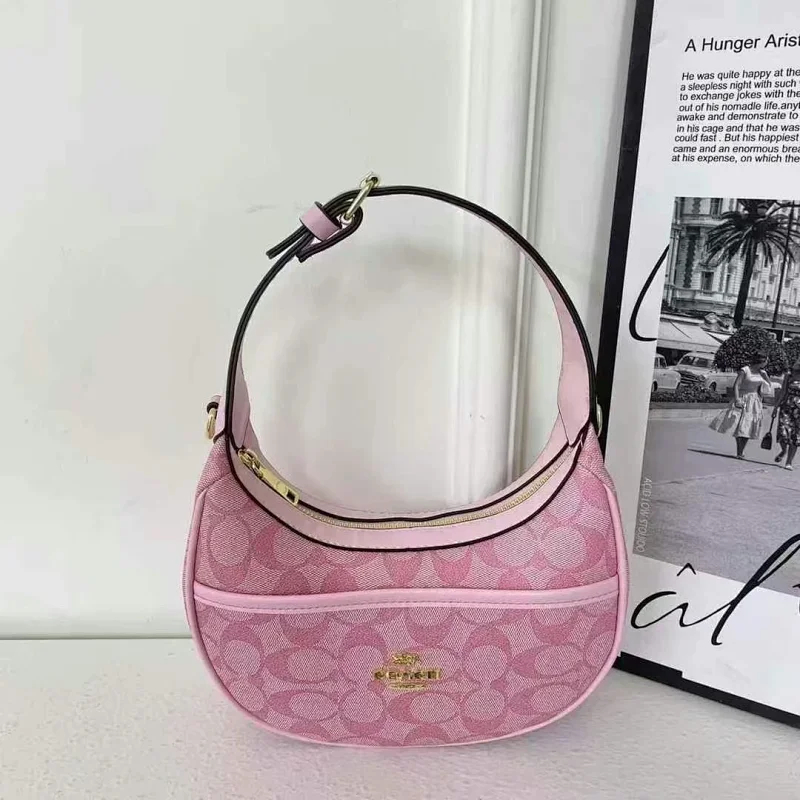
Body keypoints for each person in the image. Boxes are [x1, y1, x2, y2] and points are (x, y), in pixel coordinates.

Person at [709, 351, 772, 459]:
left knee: (749, 425)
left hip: (755, 400)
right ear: (761, 361)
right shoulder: (745, 370)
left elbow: (768, 387)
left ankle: (741, 451)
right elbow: (736, 385)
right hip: (743, 398)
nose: (766, 363)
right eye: (766, 361)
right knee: (740, 425)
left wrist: (765, 377)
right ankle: (739, 451)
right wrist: (737, 399)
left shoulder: (762, 373)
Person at [773, 356, 800, 470]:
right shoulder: (789, 376)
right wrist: (775, 407)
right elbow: (783, 392)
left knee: (795, 436)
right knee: (783, 432)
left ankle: (789, 462)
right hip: (787, 407)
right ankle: (783, 450)